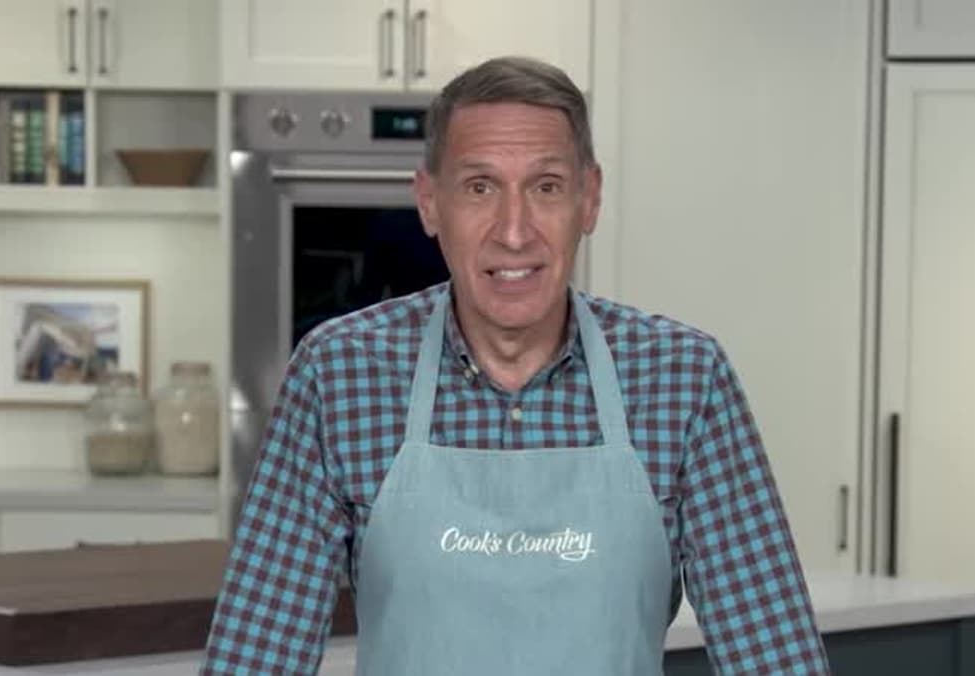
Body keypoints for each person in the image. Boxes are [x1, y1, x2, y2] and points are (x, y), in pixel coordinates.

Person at [202, 56, 831, 675]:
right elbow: (258, 654)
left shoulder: (684, 378)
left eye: (546, 187)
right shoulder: (339, 373)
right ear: (430, 203)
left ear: (589, 200)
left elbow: (772, 653)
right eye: (480, 187)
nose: (513, 231)